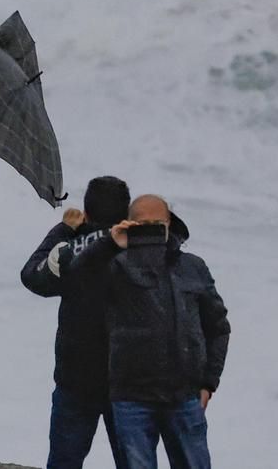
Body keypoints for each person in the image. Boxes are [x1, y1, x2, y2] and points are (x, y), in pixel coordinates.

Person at [70, 195, 229, 469]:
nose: (152, 230)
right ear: (130, 225)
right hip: (131, 397)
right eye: (143, 224)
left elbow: (217, 326)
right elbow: (77, 279)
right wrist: (109, 243)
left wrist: (208, 383)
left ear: (170, 225)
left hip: (184, 395)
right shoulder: (115, 266)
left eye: (158, 223)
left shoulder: (193, 266)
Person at [20, 176, 132, 468]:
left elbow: (32, 274)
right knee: (134, 461)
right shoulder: (140, 253)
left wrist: (65, 229)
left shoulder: (73, 253)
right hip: (128, 379)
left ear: (88, 211)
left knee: (64, 462)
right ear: (126, 212)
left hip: (76, 378)